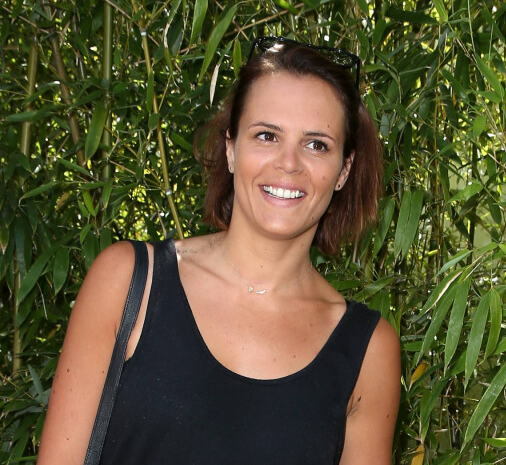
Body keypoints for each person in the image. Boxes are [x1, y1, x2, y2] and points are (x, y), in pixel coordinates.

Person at [38, 37, 401, 464]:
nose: (289, 163)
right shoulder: (129, 281)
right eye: (267, 135)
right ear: (230, 148)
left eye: (316, 144)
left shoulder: (367, 350)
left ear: (344, 170)